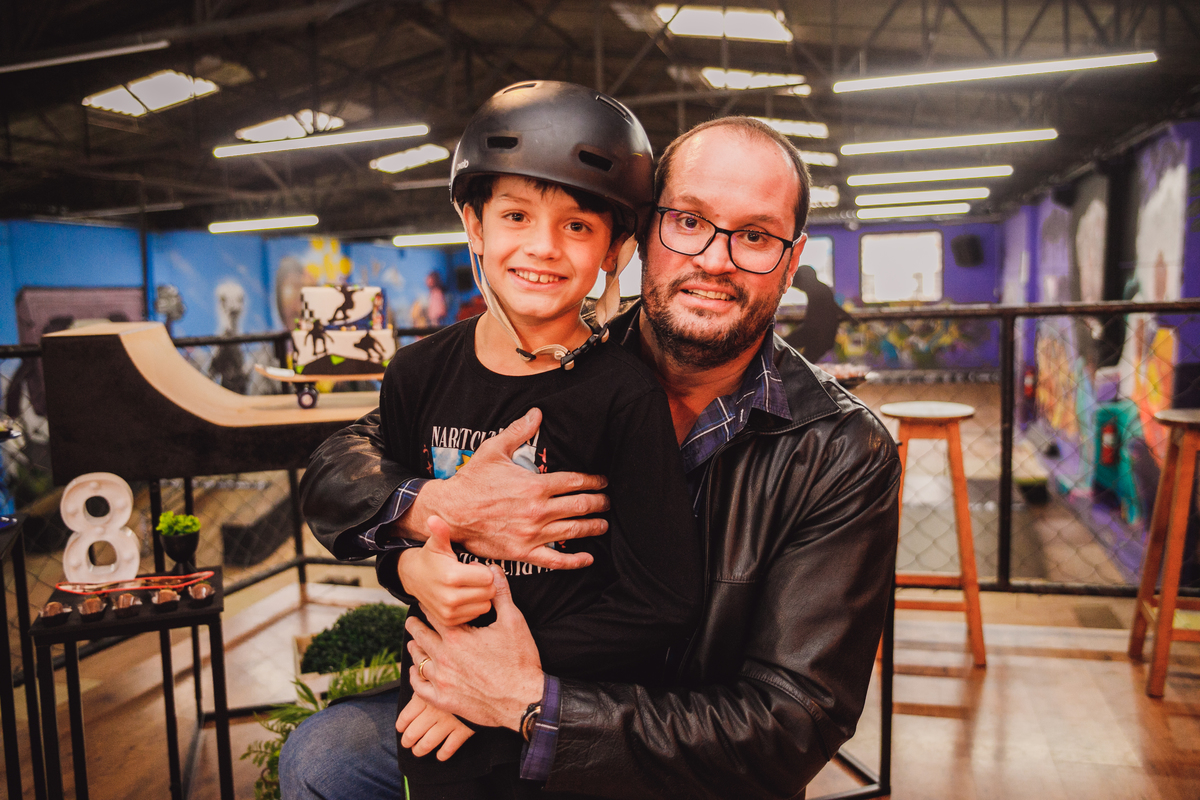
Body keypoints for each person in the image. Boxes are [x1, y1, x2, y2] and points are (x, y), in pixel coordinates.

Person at [283, 114, 900, 800]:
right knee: (326, 760)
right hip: (485, 697)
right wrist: (427, 515)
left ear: (790, 259)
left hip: (682, 755)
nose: (716, 259)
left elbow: (793, 720)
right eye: (689, 222)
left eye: (755, 236)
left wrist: (528, 700)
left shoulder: (842, 450)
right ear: (645, 236)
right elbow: (350, 457)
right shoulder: (556, 354)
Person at [299, 80, 703, 799]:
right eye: (516, 215)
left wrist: (490, 673)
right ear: (475, 225)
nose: (542, 247)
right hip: (436, 702)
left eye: (578, 226)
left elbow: (660, 599)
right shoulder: (418, 373)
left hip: (560, 709)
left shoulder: (625, 395)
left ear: (615, 249)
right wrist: (406, 573)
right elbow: (397, 533)